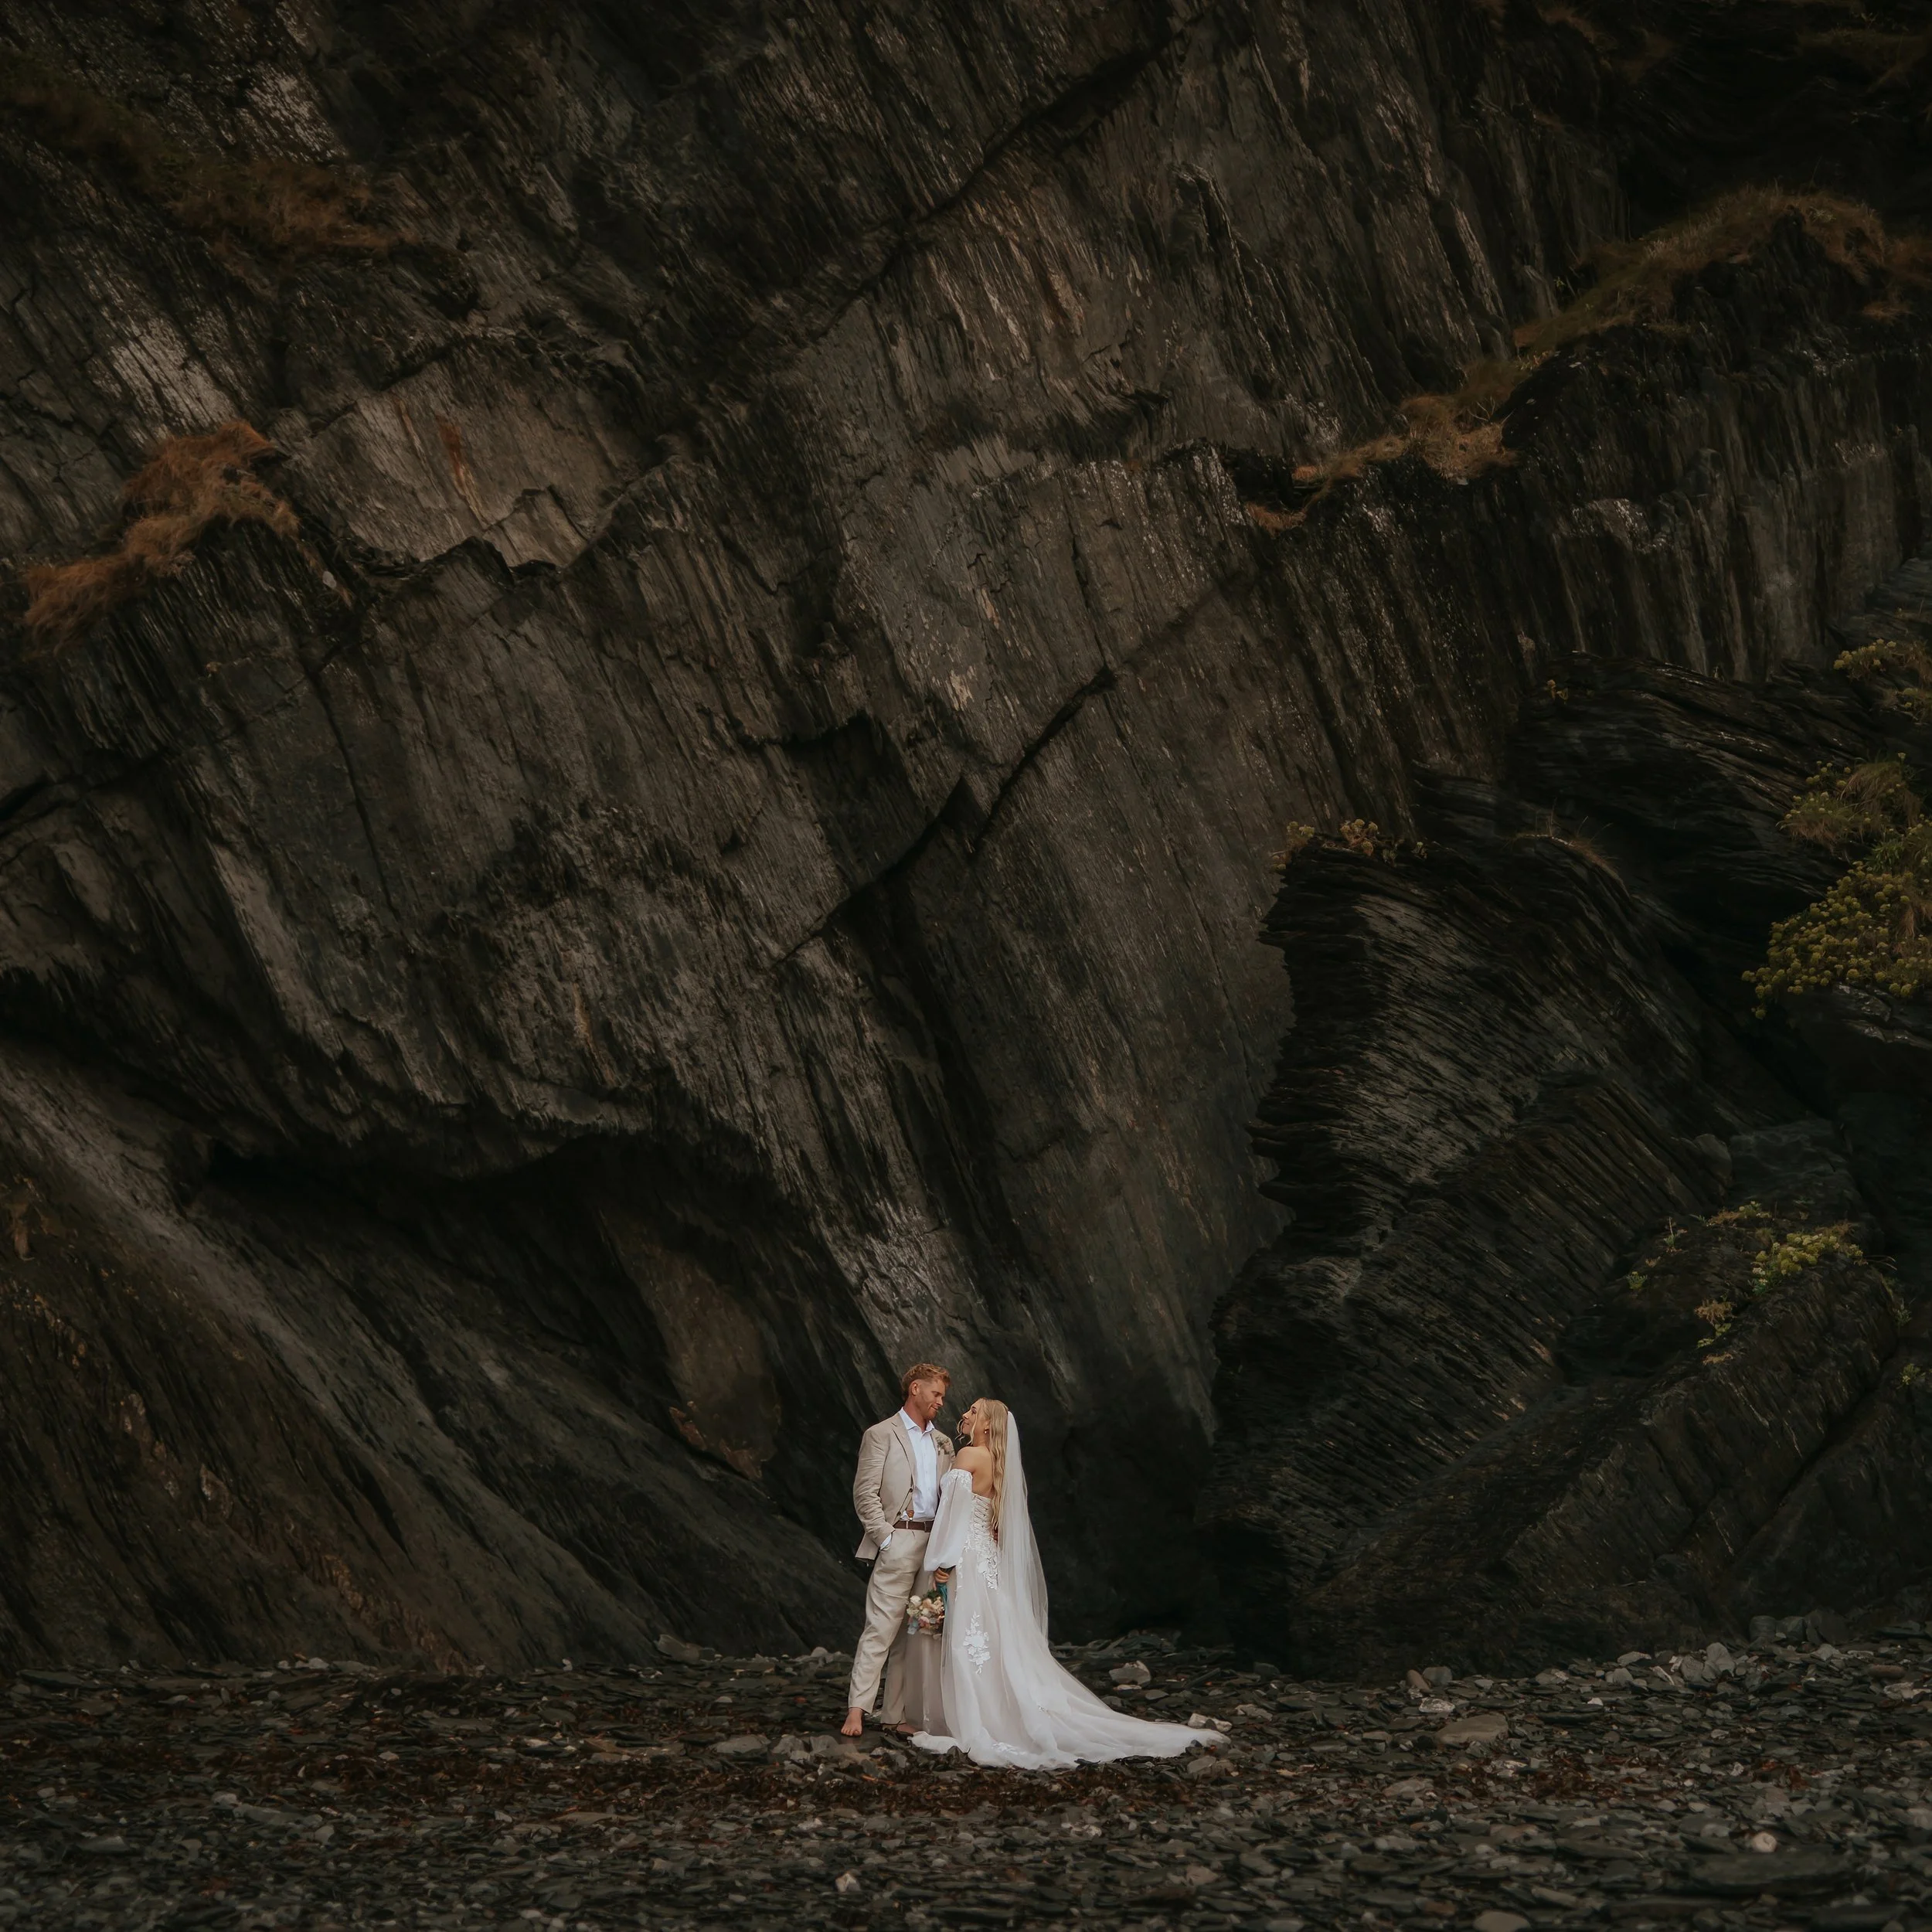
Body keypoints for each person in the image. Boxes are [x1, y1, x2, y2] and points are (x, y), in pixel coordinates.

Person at [906, 1397, 1208, 1769]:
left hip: (964, 1556)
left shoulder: (968, 1457)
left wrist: (942, 1561)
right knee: (992, 1636)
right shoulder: (1000, 1467)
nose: (965, 1415)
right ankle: (1002, 1710)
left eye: (974, 1411)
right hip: (986, 1557)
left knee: (966, 1636)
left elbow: (952, 1516)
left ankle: (969, 1716)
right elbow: (992, 1525)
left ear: (987, 1425)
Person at [842, 1363, 954, 1737]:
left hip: (933, 1542)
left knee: (914, 1630)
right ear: (915, 1389)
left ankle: (894, 1715)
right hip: (899, 1539)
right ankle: (857, 1710)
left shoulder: (943, 1443)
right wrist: (886, 1538)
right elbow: (865, 1493)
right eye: (936, 1393)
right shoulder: (880, 1434)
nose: (941, 1401)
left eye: (942, 1396)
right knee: (880, 1629)